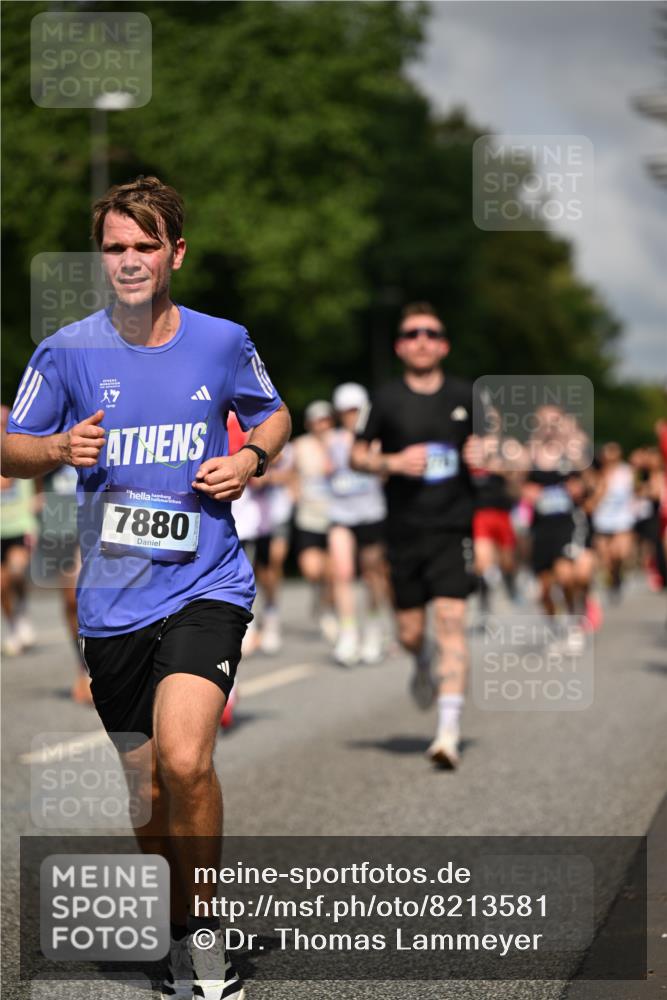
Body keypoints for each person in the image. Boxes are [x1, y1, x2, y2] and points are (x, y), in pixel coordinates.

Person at [1, 176, 291, 1000]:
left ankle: (203, 939)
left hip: (208, 582)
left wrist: (248, 459)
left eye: (143, 246)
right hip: (114, 601)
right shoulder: (65, 352)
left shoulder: (222, 340)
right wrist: (57, 450)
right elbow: (8, 449)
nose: (128, 261)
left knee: (186, 758)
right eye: (114, 247)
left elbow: (273, 415)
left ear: (175, 253)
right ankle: (176, 927)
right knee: (145, 787)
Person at [351, 302, 483, 769]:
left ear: (444, 344)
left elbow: (503, 453)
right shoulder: (385, 399)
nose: (422, 340)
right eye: (412, 334)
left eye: (431, 332)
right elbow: (356, 455)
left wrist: (489, 451)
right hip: (404, 531)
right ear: (400, 346)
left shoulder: (467, 395)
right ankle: (422, 659)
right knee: (410, 632)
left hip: (453, 526)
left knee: (451, 622)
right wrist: (391, 462)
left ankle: (448, 732)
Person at [327, 382, 388, 666]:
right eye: (346, 411)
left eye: (356, 410)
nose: (351, 415)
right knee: (342, 571)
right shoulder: (332, 441)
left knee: (373, 574)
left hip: (371, 514)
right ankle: (348, 632)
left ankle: (374, 628)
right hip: (341, 515)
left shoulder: (376, 440)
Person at [292, 400, 337, 642]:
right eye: (317, 420)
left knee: (332, 572)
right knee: (312, 569)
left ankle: (329, 611)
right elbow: (288, 473)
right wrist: (293, 491)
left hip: (336, 515)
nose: (322, 425)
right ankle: (319, 596)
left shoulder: (340, 442)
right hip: (309, 516)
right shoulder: (300, 445)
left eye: (326, 419)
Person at [1, 405, 37, 656]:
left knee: (16, 571)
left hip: (20, 526)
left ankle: (22, 607)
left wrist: (37, 503)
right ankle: (14, 624)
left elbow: (38, 479)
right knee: (1, 586)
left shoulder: (19, 453)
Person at [591, 442, 636, 602]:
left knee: (620, 554)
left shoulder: (627, 472)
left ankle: (618, 576)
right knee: (606, 558)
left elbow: (634, 492)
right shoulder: (597, 474)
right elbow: (593, 499)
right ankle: (612, 581)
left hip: (622, 519)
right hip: (602, 519)